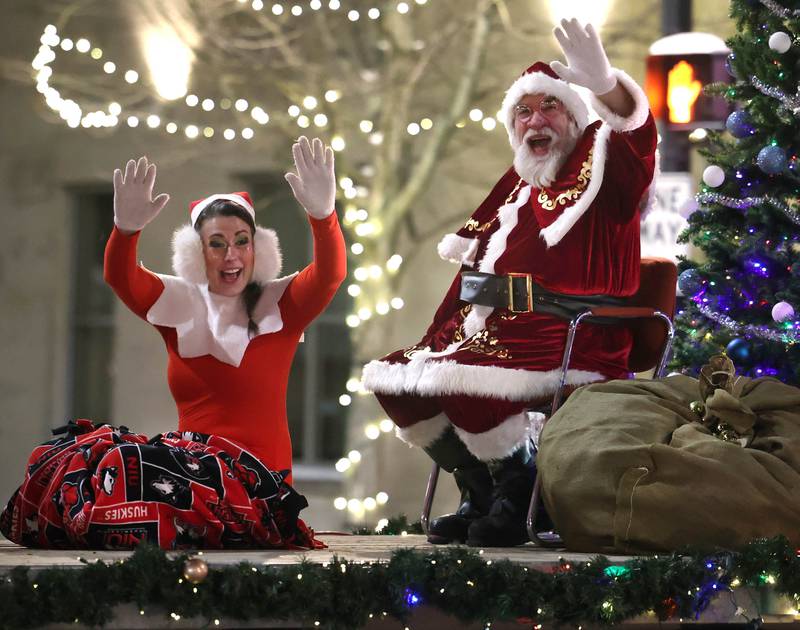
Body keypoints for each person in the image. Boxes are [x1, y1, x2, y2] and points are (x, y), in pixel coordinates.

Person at [363, 19, 657, 547]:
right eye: (523, 111)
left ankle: (520, 492)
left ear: (575, 118)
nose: (534, 120)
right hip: (498, 332)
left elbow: (637, 139)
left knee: (463, 378)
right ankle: (484, 489)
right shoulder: (514, 192)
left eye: (550, 107)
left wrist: (605, 84)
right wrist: (434, 340)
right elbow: (469, 279)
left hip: (575, 333)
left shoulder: (604, 171)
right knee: (395, 381)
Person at [0, 136, 346, 550]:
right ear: (197, 253)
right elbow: (122, 278)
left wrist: (323, 216)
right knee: (99, 457)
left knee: (134, 465)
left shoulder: (281, 306)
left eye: (241, 240)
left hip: (258, 487)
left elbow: (330, 274)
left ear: (257, 249)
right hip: (189, 475)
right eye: (216, 243)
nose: (231, 255)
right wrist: (125, 230)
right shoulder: (180, 306)